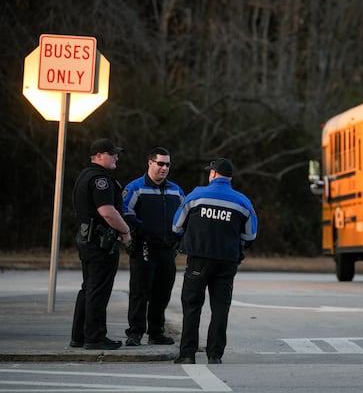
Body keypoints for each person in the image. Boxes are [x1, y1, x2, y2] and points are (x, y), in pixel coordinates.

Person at [172, 158, 257, 364]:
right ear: (229, 178)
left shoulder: (196, 195)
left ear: (212, 174)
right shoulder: (242, 201)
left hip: (198, 260)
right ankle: (215, 355)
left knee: (192, 305)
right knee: (220, 307)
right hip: (227, 261)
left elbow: (176, 226)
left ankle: (187, 354)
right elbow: (250, 235)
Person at [70, 138, 131, 350]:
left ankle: (79, 336)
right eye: (112, 153)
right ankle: (94, 337)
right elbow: (107, 211)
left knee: (88, 288)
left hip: (87, 240)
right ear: (98, 156)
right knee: (98, 290)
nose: (116, 157)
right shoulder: (100, 179)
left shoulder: (84, 175)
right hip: (100, 243)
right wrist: (125, 230)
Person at [122, 147, 186, 346]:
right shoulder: (135, 187)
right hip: (144, 248)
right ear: (150, 163)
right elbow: (124, 211)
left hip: (167, 249)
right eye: (160, 163)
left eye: (167, 164)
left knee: (162, 292)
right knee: (140, 292)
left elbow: (184, 215)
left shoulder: (176, 190)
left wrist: (180, 238)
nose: (164, 168)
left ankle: (156, 332)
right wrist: (141, 230)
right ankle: (135, 332)